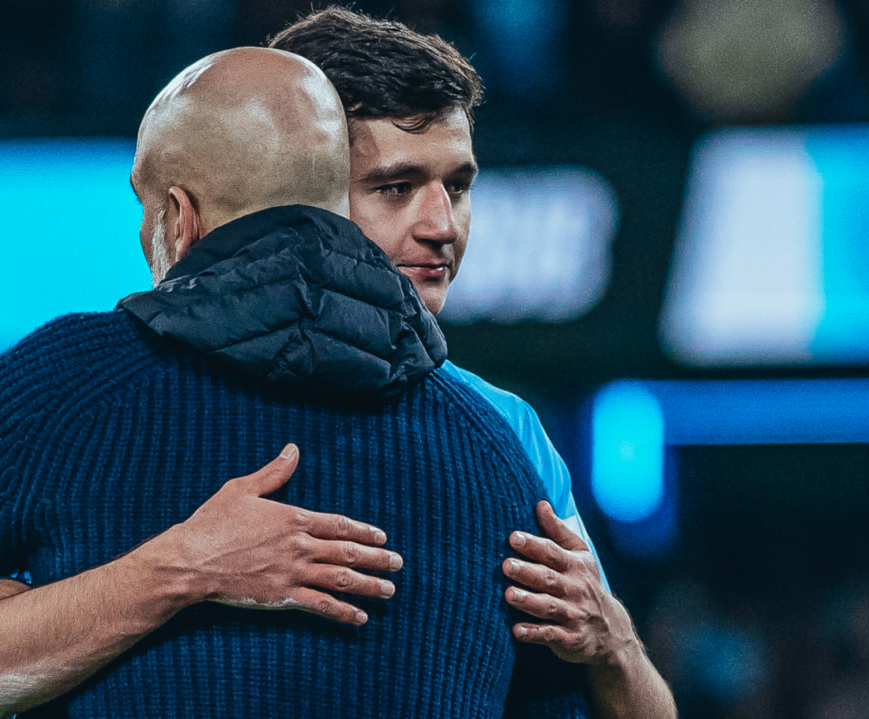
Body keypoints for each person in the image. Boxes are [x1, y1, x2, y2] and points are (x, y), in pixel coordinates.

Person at [0, 46, 593, 718]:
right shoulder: (492, 448)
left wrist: (160, 571)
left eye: (145, 211)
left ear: (180, 220)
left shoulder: (70, 381)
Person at [267, 8, 676, 718]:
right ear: (299, 194)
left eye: (457, 187)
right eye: (396, 188)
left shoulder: (506, 428)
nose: (442, 227)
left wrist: (614, 644)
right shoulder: (159, 402)